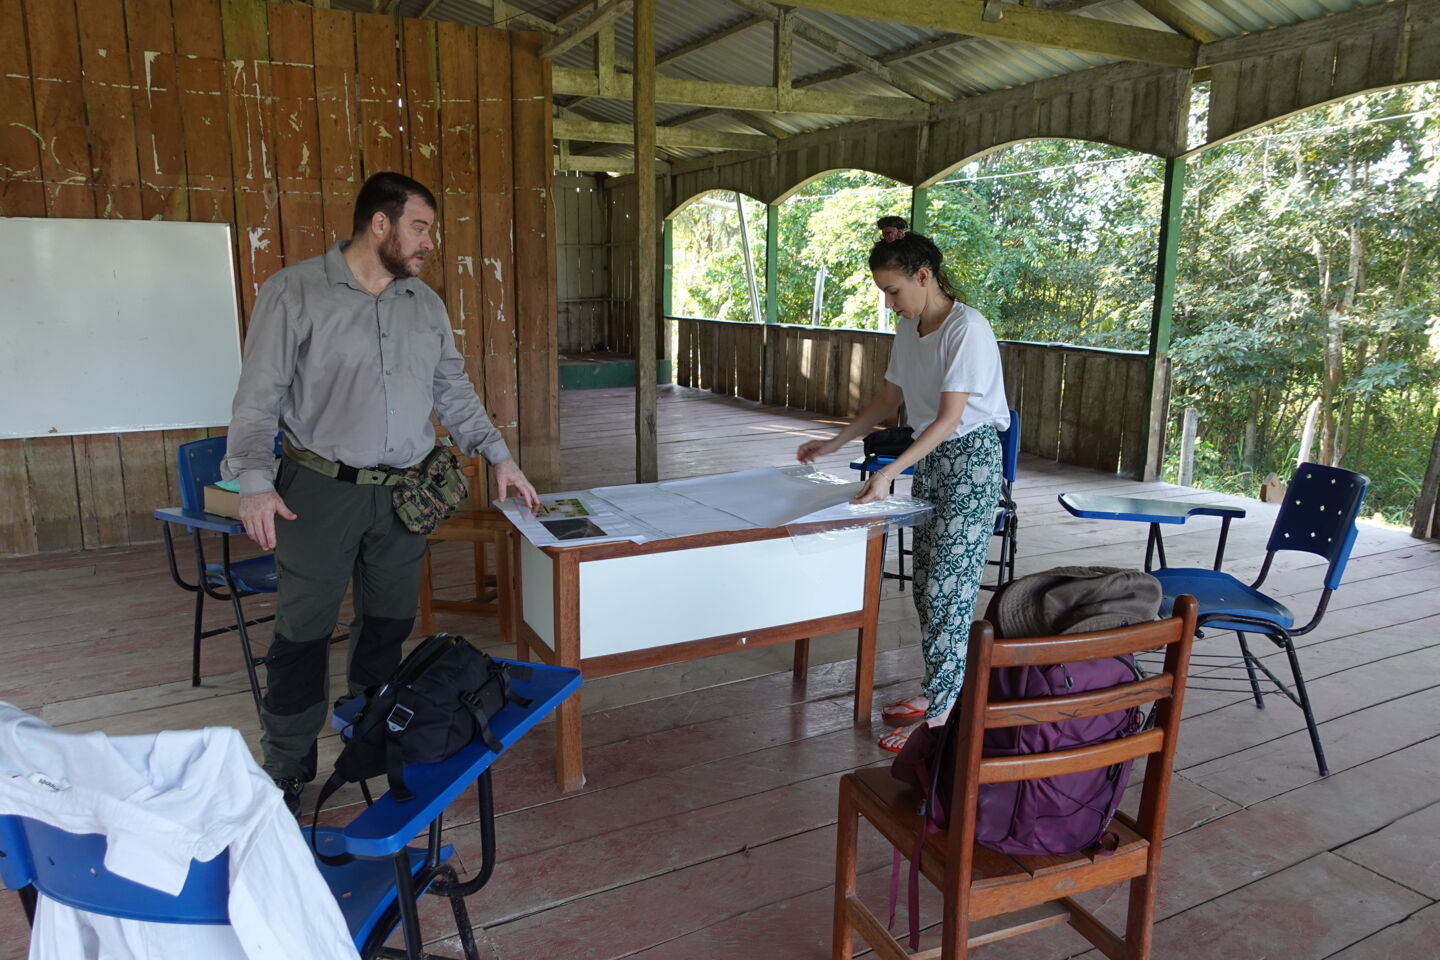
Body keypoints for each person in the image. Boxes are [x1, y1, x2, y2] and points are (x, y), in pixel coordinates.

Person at [223, 171, 539, 811]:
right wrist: (254, 483)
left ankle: (371, 728)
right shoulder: (296, 292)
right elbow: (258, 396)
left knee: (388, 624)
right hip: (316, 491)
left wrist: (498, 453)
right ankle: (287, 761)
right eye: (420, 227)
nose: (430, 242)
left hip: (405, 494)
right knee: (302, 633)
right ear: (380, 224)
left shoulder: (423, 303)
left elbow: (452, 388)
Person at [796, 232, 1007, 753]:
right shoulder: (908, 328)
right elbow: (889, 398)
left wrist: (889, 473)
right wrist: (835, 440)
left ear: (923, 276)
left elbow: (950, 418)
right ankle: (942, 691)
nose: (889, 302)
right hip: (931, 457)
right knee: (925, 587)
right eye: (883, 292)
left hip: (972, 461)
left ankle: (941, 718)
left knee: (948, 592)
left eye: (893, 291)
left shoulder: (967, 328)